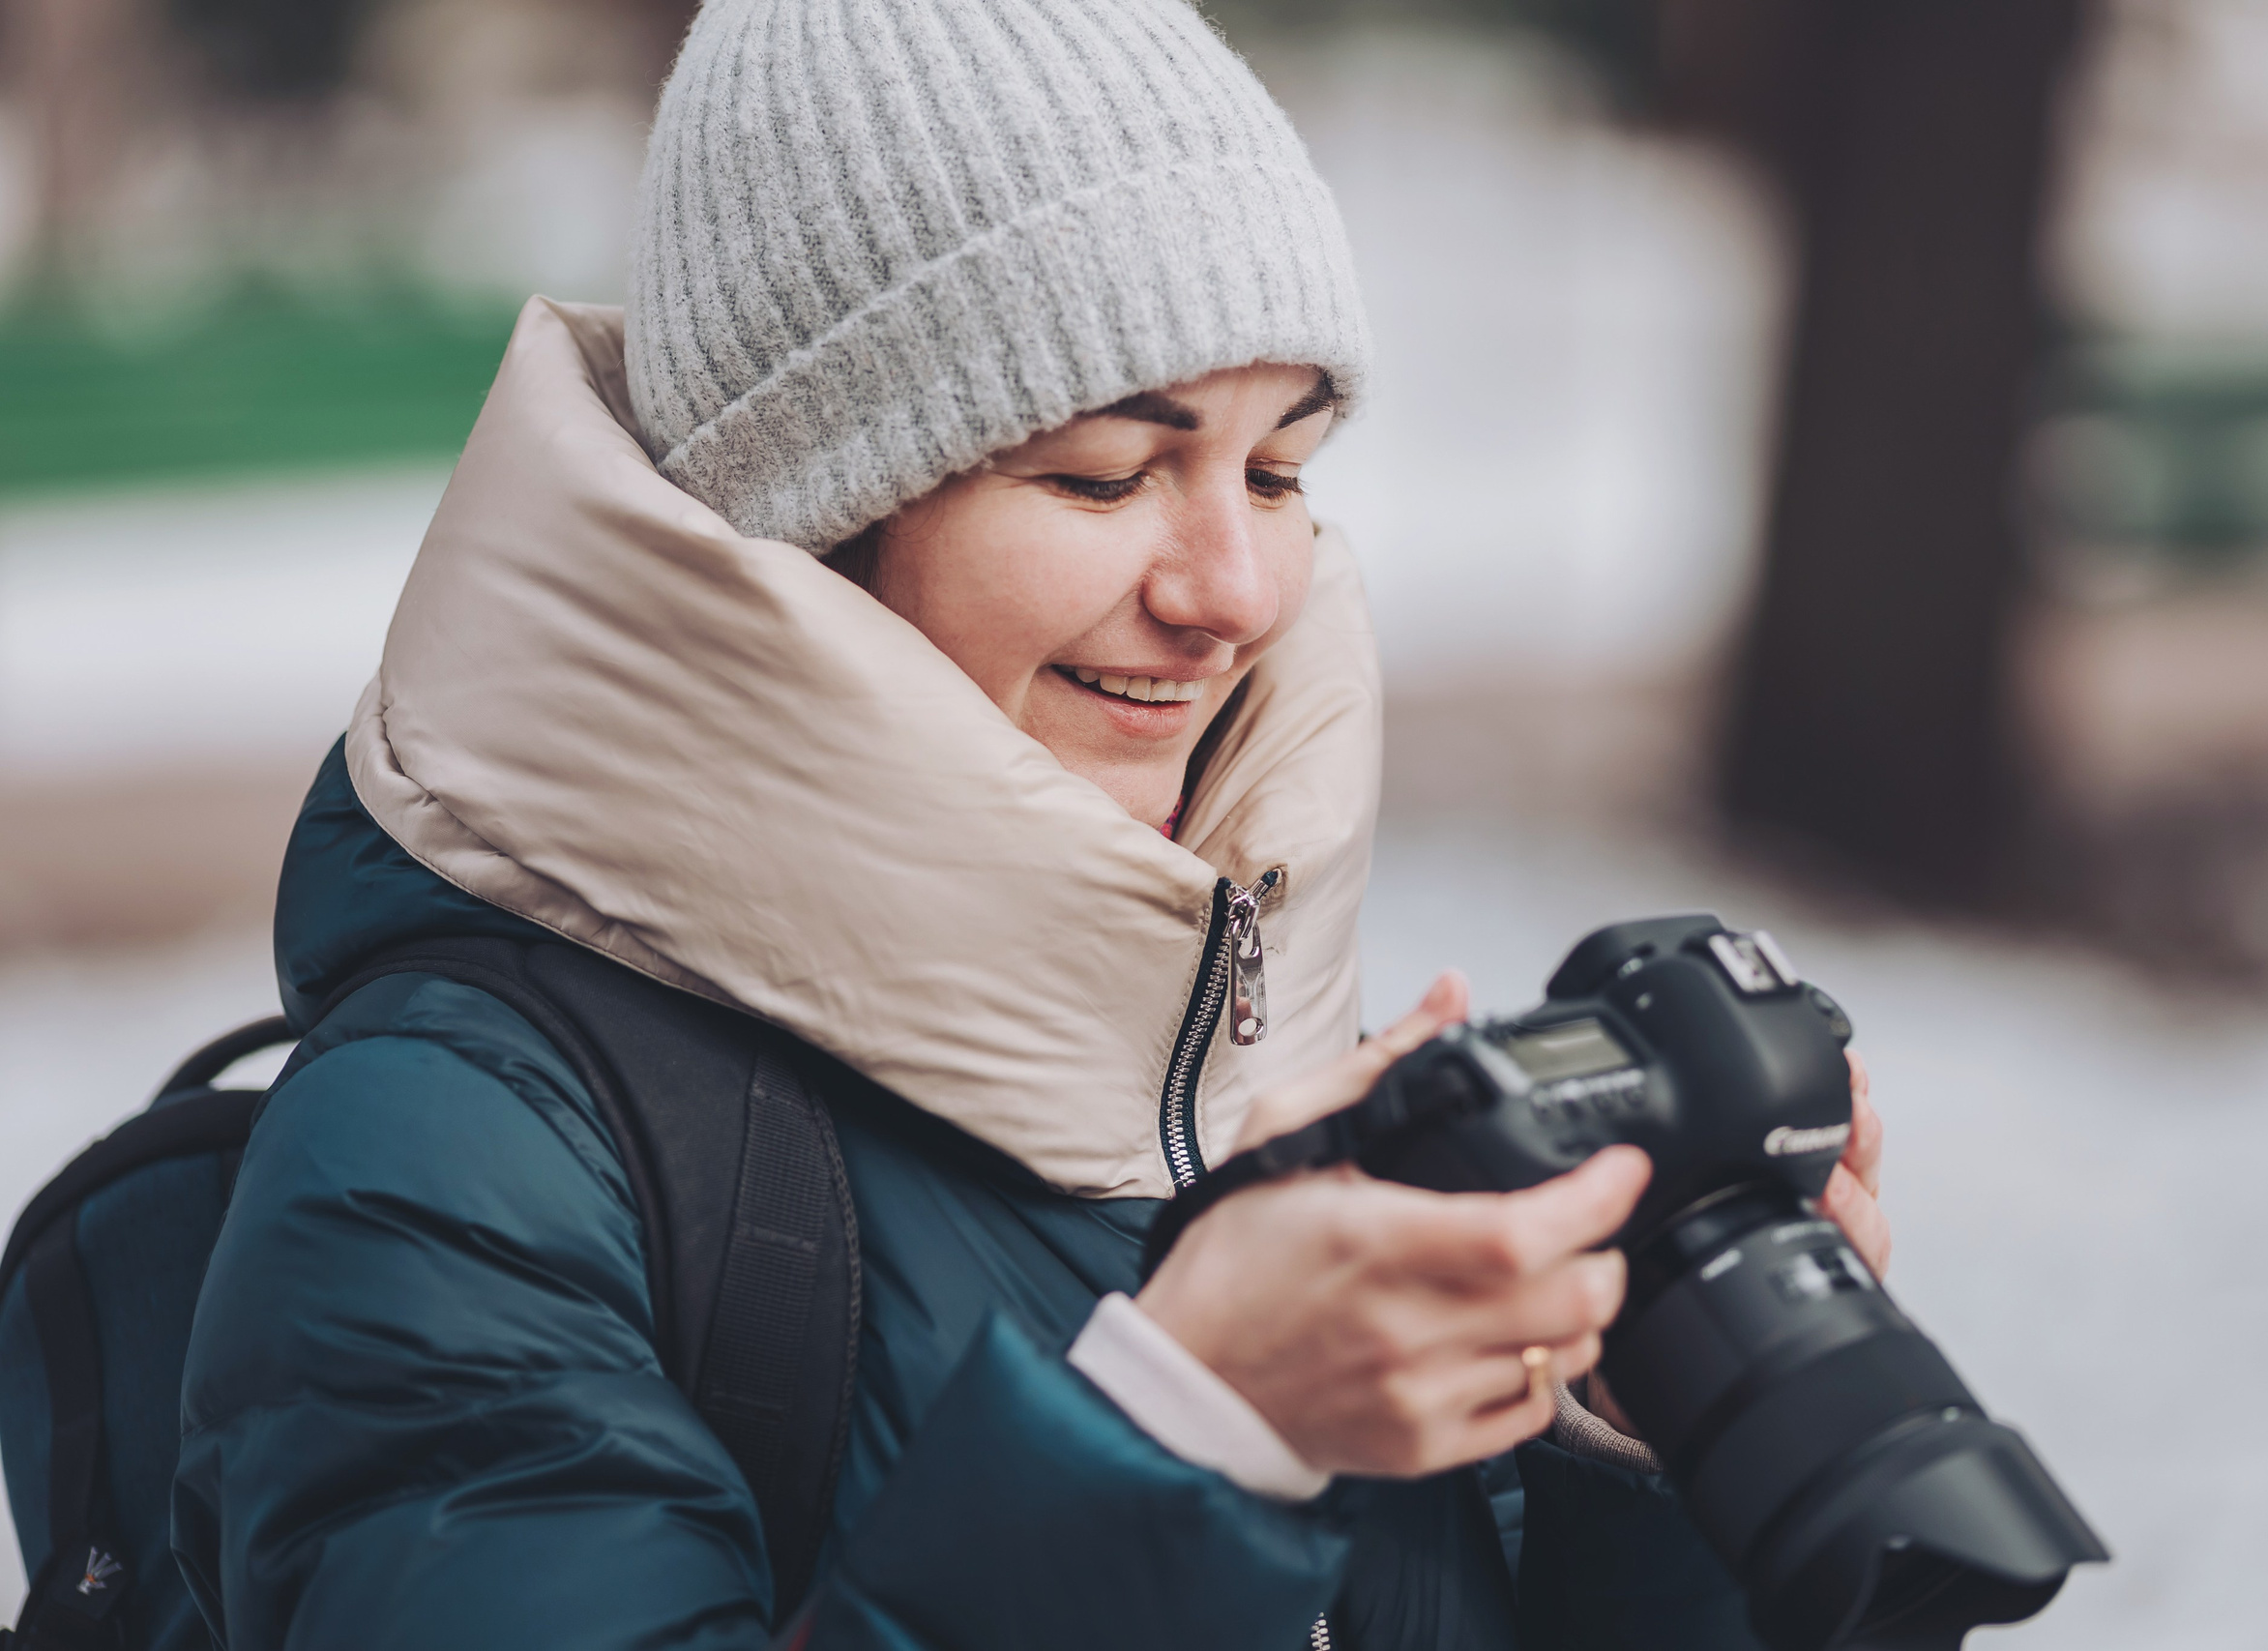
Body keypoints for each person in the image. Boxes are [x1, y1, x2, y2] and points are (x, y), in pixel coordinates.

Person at [172, 2, 1890, 1647]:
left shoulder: (1237, 1069)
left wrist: (1650, 1455)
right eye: (1101, 474)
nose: (1235, 591)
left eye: (1278, 472)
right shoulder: (446, 1164)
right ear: (806, 524)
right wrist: (1180, 1440)